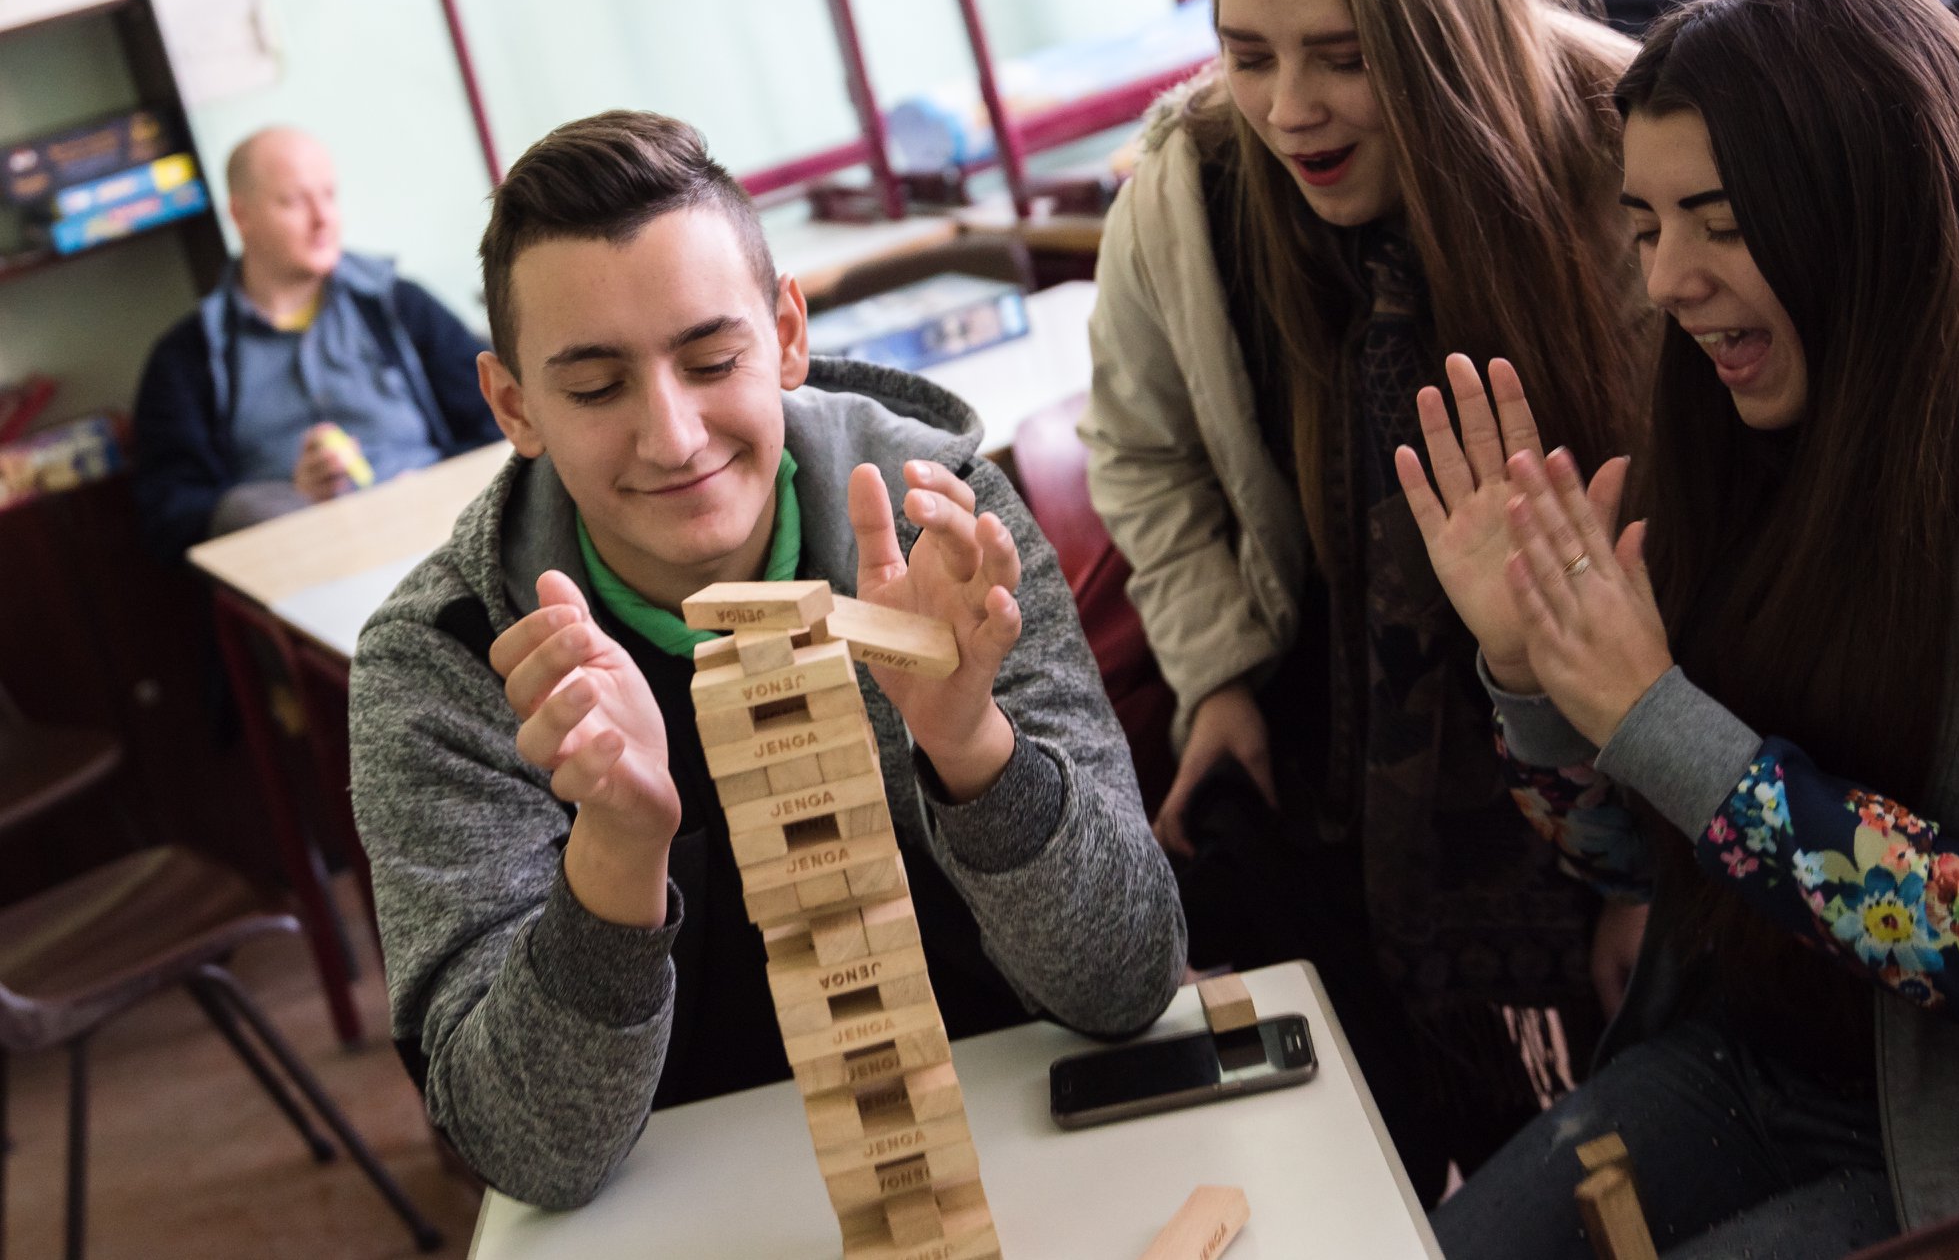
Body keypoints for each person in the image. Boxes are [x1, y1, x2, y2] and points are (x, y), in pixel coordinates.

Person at [346, 111, 1186, 1209]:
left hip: (1015, 1164)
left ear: (786, 331)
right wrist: (615, 849)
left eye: (710, 360)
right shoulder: (448, 663)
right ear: (513, 404)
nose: (673, 436)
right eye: (595, 389)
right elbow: (529, 1150)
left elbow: (1127, 980)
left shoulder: (944, 526)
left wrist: (969, 745)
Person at [1407, 0, 1959, 1257]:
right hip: (1740, 1056)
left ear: (1873, 211)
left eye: (1721, 225)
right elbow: (1640, 860)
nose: (1668, 279)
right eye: (1646, 224)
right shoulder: (1737, 446)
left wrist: (1658, 716)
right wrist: (1536, 685)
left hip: (1956, 1133)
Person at [1078, 0, 1649, 1198]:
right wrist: (1216, 673)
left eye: (1342, 58)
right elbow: (1139, 451)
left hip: (1608, 755)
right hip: (1322, 750)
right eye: (1245, 55)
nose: (1290, 109)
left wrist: (1659, 860)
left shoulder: (1624, 153)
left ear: (1446, 38)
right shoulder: (1187, 189)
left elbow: (1718, 549)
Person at [131, 126, 498, 559]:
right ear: (241, 216)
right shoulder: (186, 358)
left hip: (446, 539)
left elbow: (498, 420)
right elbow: (169, 510)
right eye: (294, 201)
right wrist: (290, 499)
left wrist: (433, 488)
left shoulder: (399, 305)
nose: (323, 218)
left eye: (328, 195)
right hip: (301, 566)